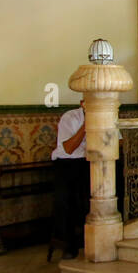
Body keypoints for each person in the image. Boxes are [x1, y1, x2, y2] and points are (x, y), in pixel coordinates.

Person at [50, 106, 88, 260]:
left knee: (90, 202)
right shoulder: (70, 117)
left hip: (87, 162)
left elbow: (118, 140)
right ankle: (69, 245)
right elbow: (69, 149)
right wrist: (87, 126)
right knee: (66, 202)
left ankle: (90, 240)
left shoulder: (106, 114)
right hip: (67, 164)